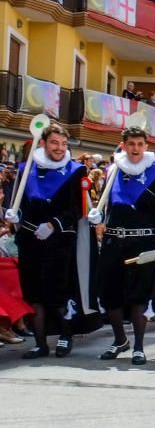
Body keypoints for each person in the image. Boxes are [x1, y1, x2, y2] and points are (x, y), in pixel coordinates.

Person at [87, 124, 155, 365]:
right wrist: (98, 217)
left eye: (140, 144)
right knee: (110, 296)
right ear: (123, 146)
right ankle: (119, 340)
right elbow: (106, 204)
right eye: (130, 144)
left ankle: (139, 347)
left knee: (138, 299)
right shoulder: (114, 170)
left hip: (143, 244)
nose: (135, 149)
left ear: (146, 146)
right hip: (114, 242)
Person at [4, 123, 89, 358]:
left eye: (63, 143)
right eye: (54, 142)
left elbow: (76, 209)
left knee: (57, 293)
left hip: (59, 240)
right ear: (43, 143)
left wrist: (52, 225)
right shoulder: (26, 168)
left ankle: (65, 336)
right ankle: (40, 343)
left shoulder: (75, 170)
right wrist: (14, 214)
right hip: (30, 239)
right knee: (34, 293)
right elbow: (20, 203)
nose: (59, 148)